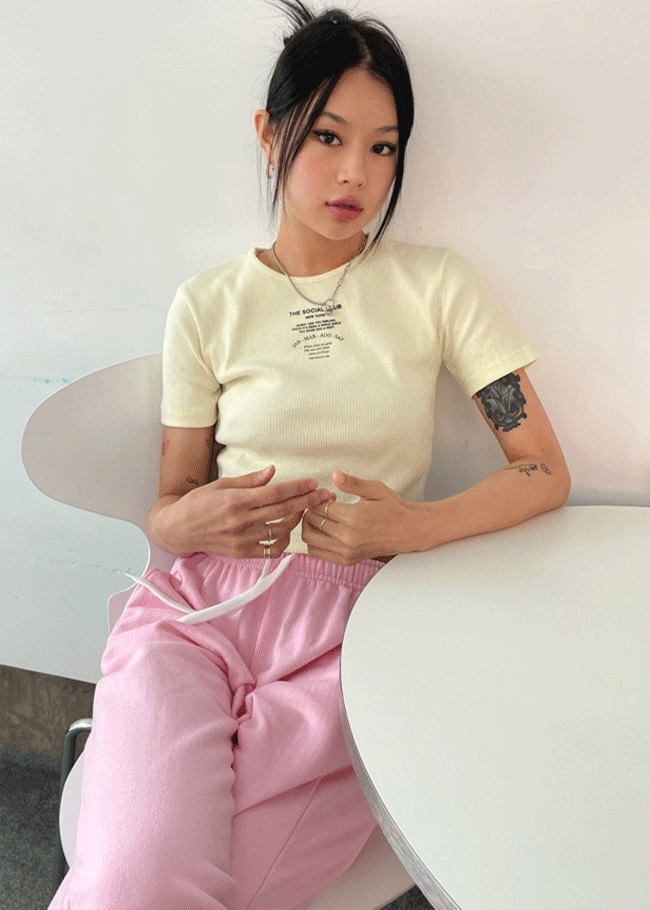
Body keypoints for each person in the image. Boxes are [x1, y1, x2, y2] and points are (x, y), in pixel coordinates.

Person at [49, 2, 571, 909]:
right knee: (137, 876)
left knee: (218, 888)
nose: (355, 172)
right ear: (270, 134)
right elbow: (169, 508)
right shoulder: (206, 304)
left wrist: (415, 528)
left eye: (383, 147)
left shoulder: (438, 285)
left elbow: (544, 470)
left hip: (356, 638)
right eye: (328, 136)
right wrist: (196, 515)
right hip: (197, 617)